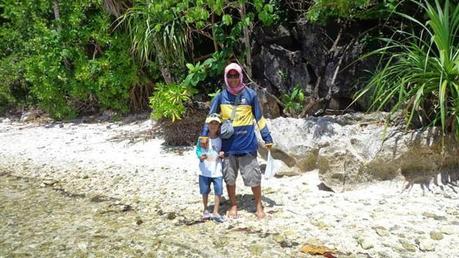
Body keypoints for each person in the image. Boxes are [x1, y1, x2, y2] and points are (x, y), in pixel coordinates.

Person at [200, 63, 273, 219]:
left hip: (247, 145)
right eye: (229, 76)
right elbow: (210, 117)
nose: (232, 79)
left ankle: (259, 206)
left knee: (254, 177)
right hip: (227, 147)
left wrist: (267, 137)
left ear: (241, 76)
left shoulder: (251, 95)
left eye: (235, 75)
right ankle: (233, 205)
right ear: (226, 78)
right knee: (229, 178)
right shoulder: (220, 96)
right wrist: (204, 137)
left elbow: (259, 118)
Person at [195, 113, 225, 222]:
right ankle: (205, 210)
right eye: (211, 123)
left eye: (216, 123)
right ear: (207, 125)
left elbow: (223, 151)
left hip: (217, 169)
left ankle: (216, 211)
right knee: (204, 191)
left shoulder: (221, 139)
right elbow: (197, 150)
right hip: (204, 170)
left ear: (219, 126)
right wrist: (200, 156)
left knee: (218, 191)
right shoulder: (202, 138)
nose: (213, 125)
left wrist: (222, 154)